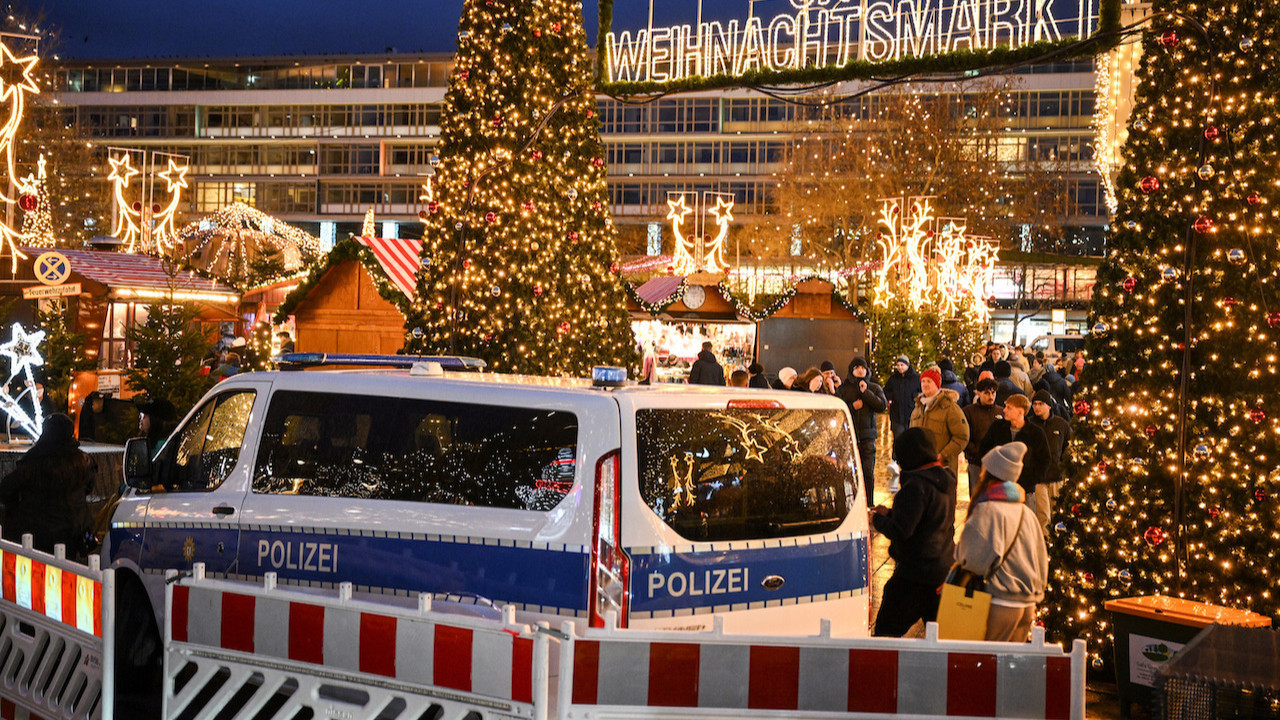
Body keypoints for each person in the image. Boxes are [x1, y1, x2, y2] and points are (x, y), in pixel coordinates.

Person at [954, 442, 1048, 642]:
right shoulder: (1026, 513)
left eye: (984, 469)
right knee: (1008, 669)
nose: (980, 473)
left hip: (1000, 602)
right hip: (1027, 606)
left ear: (991, 474)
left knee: (986, 667)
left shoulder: (988, 510)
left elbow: (971, 559)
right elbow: (1041, 559)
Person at [870, 428, 956, 637]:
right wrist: (891, 513)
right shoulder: (946, 479)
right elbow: (926, 519)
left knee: (884, 637)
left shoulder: (914, 486)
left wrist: (877, 520)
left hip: (913, 576)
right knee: (942, 639)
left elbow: (902, 530)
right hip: (941, 571)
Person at [0, 414, 96, 556]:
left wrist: (15, 506)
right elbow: (89, 488)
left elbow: (6, 489)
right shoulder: (83, 461)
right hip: (72, 532)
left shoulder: (34, 461)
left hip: (35, 534)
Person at [978, 394, 1054, 524]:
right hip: (999, 487)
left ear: (1020, 411)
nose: (1004, 410)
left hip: (1025, 489)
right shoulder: (998, 428)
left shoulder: (1035, 433)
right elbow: (984, 449)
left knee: (1024, 524)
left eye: (1009, 407)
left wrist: (1033, 479)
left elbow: (1045, 459)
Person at [908, 367, 969, 502]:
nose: (925, 384)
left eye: (929, 381)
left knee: (942, 510)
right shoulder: (917, 409)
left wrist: (942, 455)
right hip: (920, 471)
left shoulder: (950, 408)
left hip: (942, 471)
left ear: (937, 384)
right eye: (923, 381)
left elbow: (962, 436)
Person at [838, 357, 887, 506]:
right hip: (849, 437)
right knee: (849, 473)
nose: (860, 370)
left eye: (863, 367)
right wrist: (853, 407)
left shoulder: (874, 387)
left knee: (868, 473)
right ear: (852, 370)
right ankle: (852, 505)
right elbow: (839, 407)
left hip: (868, 437)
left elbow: (882, 405)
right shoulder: (845, 388)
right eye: (857, 367)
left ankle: (869, 505)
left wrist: (866, 393)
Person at [1029, 390, 1073, 528]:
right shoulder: (1029, 425)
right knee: (1043, 516)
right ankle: (1045, 546)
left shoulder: (1061, 424)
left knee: (1057, 514)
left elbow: (1069, 446)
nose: (1036, 407)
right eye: (1034, 404)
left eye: (1040, 404)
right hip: (1039, 479)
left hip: (1057, 476)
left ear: (1048, 405)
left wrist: (1063, 465)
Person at [962, 378, 1004, 499]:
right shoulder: (969, 412)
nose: (991, 396)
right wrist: (975, 452)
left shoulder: (1002, 412)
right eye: (987, 393)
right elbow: (965, 437)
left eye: (993, 393)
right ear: (979, 393)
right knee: (977, 496)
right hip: (976, 462)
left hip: (998, 462)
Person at [884, 356, 921, 438]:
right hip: (896, 416)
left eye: (902, 365)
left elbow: (922, 392)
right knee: (899, 439)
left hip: (912, 415)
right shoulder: (893, 379)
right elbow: (886, 391)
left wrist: (915, 397)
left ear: (907, 365)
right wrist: (892, 397)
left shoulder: (916, 379)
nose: (900, 367)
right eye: (898, 365)